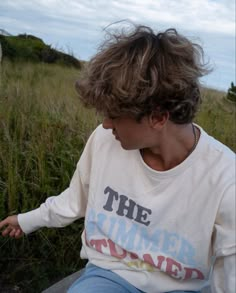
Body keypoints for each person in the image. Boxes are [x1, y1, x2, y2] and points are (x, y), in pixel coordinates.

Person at [0, 25, 235, 293]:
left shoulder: (226, 180)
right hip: (108, 274)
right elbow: (76, 198)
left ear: (158, 117)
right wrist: (26, 220)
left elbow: (228, 278)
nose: (106, 124)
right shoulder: (104, 141)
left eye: (114, 115)